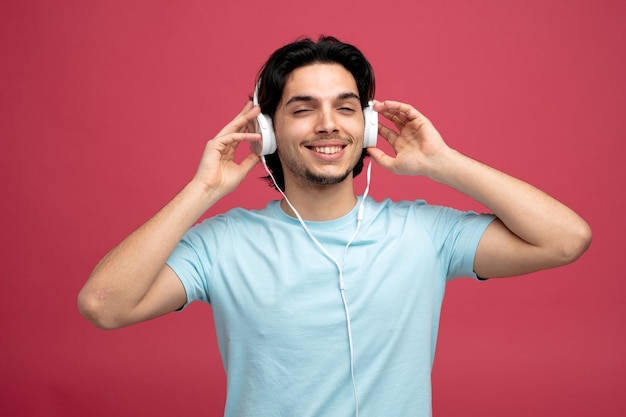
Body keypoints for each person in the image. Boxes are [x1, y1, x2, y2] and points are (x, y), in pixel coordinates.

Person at [78, 36, 592, 417]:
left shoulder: (424, 234)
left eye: (346, 109)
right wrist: (202, 192)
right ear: (268, 131)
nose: (328, 124)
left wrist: (443, 162)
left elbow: (567, 239)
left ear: (365, 126)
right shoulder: (222, 243)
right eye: (302, 110)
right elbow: (104, 305)